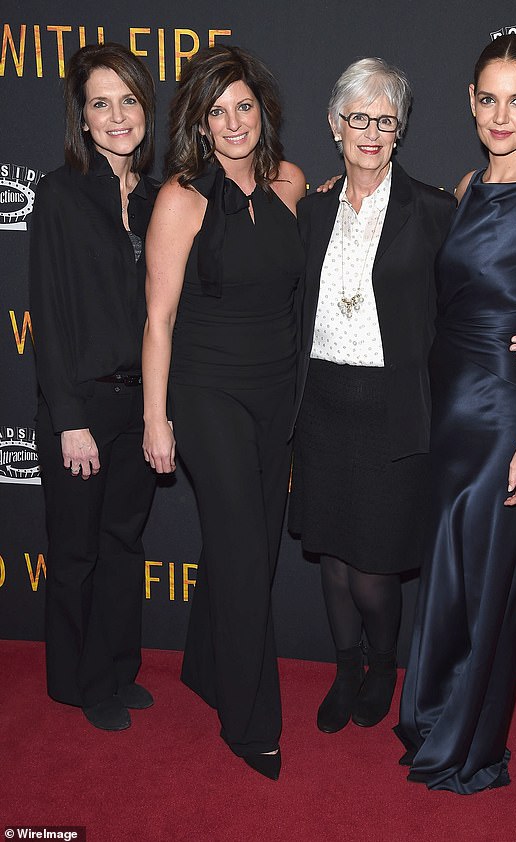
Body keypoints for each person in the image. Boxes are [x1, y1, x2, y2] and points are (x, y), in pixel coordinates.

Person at [288, 58, 516, 736]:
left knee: (373, 567)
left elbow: (481, 284)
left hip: (395, 409)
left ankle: (381, 666)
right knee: (333, 560)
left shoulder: (434, 208)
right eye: (357, 118)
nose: (370, 132)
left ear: (400, 130)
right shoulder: (310, 209)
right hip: (321, 404)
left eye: (385, 119)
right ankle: (345, 669)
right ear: (335, 125)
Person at [395, 34, 516, 793]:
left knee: (489, 581)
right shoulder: (468, 184)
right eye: (486, 98)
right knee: (448, 572)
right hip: (448, 408)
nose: (500, 114)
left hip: (508, 415)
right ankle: (434, 716)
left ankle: (465, 746)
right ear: (472, 101)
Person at [141, 45, 305, 781]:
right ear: (200, 125)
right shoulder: (182, 198)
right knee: (241, 551)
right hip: (207, 394)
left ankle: (207, 666)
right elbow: (159, 320)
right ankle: (250, 723)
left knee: (254, 548)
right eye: (218, 111)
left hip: (278, 393)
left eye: (244, 105)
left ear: (260, 111)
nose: (234, 122)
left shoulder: (293, 184)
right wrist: (155, 418)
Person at [29, 43, 158, 731]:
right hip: (81, 404)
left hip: (141, 406)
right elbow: (47, 314)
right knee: (77, 550)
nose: (116, 115)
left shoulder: (163, 196)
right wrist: (69, 418)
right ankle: (76, 683)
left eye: (128, 100)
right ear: (82, 117)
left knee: (121, 546)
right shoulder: (58, 193)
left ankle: (116, 668)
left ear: (145, 109)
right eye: (100, 103)